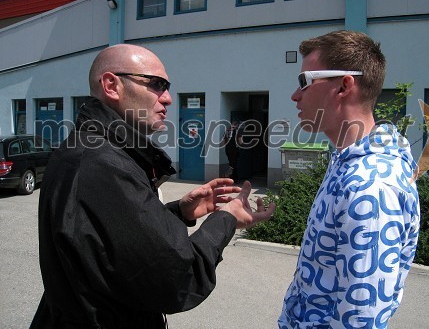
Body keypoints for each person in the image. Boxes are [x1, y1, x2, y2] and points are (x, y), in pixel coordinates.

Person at [30, 44, 275, 328]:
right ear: (112, 85)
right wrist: (227, 218)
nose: (168, 98)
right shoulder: (102, 162)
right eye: (157, 85)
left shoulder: (95, 150)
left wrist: (179, 212)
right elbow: (179, 276)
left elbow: (114, 241)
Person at [278, 30, 420, 328]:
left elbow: (362, 317)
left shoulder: (370, 186)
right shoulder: (348, 160)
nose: (295, 94)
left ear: (344, 85)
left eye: (305, 81)